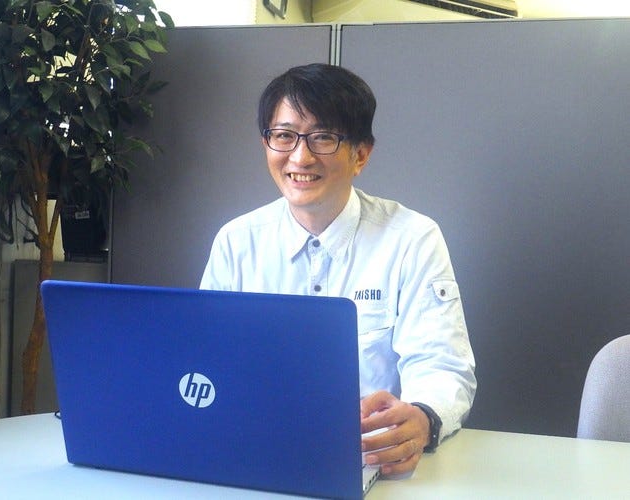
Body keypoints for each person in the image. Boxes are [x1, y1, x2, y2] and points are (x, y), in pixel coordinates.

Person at [200, 63, 476, 475]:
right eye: (284, 135)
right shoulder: (237, 242)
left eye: (324, 137)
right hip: (254, 453)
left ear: (360, 155)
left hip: (369, 459)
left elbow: (441, 364)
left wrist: (423, 416)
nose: (300, 156)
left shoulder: (412, 239)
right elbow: (206, 362)